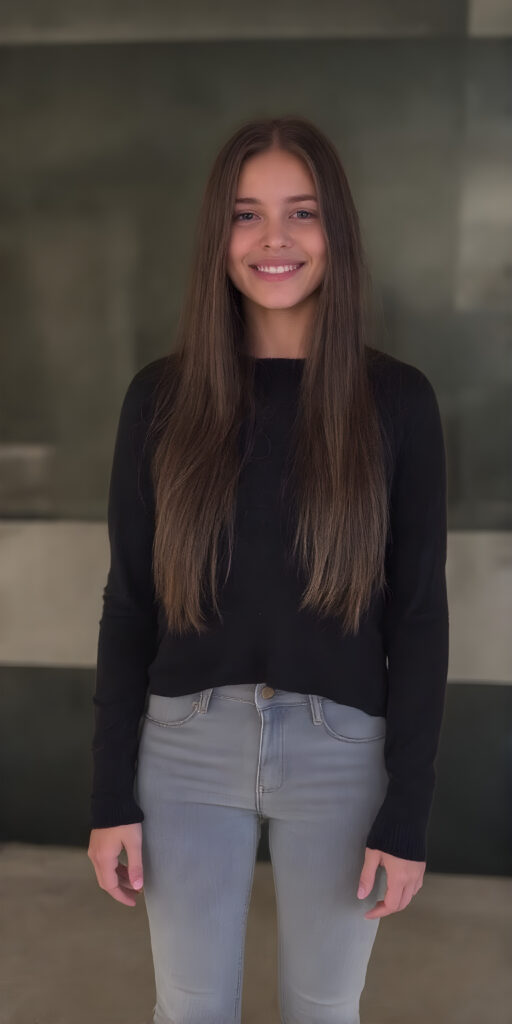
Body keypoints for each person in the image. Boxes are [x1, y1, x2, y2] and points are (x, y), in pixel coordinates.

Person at [87, 115, 449, 1024]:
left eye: (303, 212)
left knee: (324, 1012)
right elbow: (129, 605)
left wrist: (407, 814)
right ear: (219, 237)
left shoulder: (397, 402)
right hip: (183, 751)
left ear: (339, 234)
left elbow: (418, 618)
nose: (275, 239)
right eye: (247, 215)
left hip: (342, 759)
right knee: (190, 1009)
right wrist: (108, 799)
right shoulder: (160, 399)